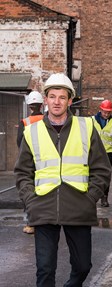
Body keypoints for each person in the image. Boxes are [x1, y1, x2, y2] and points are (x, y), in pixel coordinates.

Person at [14, 73, 112, 287]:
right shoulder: (33, 131)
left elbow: (101, 168)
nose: (57, 101)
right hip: (43, 208)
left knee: (83, 265)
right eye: (52, 96)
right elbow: (22, 172)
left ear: (70, 101)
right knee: (45, 269)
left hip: (78, 207)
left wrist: (90, 198)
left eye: (62, 97)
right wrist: (31, 199)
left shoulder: (86, 127)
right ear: (45, 100)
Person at [17, 91, 45, 235]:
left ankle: (30, 223)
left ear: (29, 106)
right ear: (41, 105)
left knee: (29, 191)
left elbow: (19, 143)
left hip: (29, 162)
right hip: (45, 160)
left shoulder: (25, 122)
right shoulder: (47, 119)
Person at [92, 99, 112, 207]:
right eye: (105, 112)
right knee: (93, 174)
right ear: (100, 110)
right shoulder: (92, 120)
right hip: (94, 152)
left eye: (108, 112)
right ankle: (93, 195)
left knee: (106, 175)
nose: (106, 114)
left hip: (108, 152)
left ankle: (104, 197)